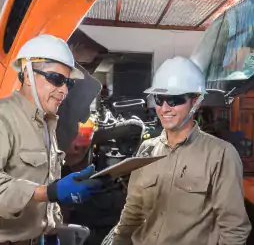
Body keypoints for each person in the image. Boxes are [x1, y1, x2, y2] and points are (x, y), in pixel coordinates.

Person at [111, 56, 251, 245]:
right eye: (159, 99)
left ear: (196, 102)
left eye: (175, 100)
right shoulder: (147, 149)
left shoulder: (220, 154)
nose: (164, 108)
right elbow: (133, 212)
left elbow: (234, 228)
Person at [0, 34, 103, 244]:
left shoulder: (47, 123)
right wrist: (50, 192)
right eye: (56, 79)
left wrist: (53, 228)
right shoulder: (4, 118)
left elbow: (45, 181)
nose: (64, 90)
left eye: (68, 83)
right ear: (28, 75)